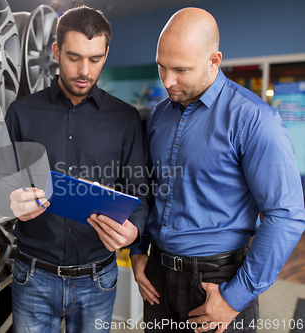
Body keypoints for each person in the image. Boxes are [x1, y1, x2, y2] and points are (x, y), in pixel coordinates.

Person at [130, 7, 305, 333]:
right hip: (157, 276)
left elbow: (286, 215)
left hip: (217, 284)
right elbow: (149, 190)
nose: (168, 81)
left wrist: (234, 298)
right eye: (161, 67)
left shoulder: (254, 120)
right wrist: (139, 251)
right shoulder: (158, 116)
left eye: (181, 69)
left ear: (214, 60)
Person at [0, 5, 149, 333]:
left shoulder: (125, 119)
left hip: (98, 277)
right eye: (74, 57)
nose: (84, 70)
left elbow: (139, 193)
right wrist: (10, 201)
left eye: (95, 59)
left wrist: (133, 230)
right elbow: (0, 183)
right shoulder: (21, 112)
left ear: (106, 54)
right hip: (32, 275)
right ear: (55, 51)